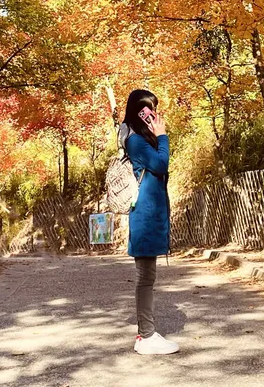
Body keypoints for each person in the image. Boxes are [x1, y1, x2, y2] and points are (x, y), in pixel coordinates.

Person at [118, 89, 180, 355]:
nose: (154, 114)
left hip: (149, 213)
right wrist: (162, 135)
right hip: (144, 214)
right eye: (151, 109)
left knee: (147, 276)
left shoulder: (139, 139)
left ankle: (146, 334)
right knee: (145, 278)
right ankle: (146, 336)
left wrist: (157, 138)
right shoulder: (135, 141)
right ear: (141, 111)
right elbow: (161, 164)